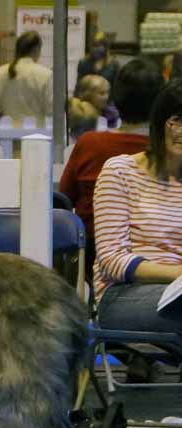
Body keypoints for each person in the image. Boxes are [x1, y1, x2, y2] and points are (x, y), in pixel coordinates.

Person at [93, 79, 182, 342]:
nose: (180, 130)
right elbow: (111, 259)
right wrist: (177, 274)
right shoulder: (119, 171)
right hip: (123, 293)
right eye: (176, 119)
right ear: (159, 122)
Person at [60, 58, 163, 280]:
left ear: (115, 97)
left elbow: (65, 199)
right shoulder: (167, 151)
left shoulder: (90, 143)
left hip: (91, 254)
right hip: (161, 255)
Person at [0, 30, 52, 127]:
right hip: (38, 135)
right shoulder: (46, 74)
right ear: (37, 49)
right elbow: (51, 110)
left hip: (7, 135)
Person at [75, 32, 120, 99]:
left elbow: (117, 89)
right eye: (93, 45)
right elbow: (79, 87)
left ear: (105, 47)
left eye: (98, 46)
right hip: (87, 103)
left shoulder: (114, 64)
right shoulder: (83, 63)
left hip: (108, 103)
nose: (95, 49)